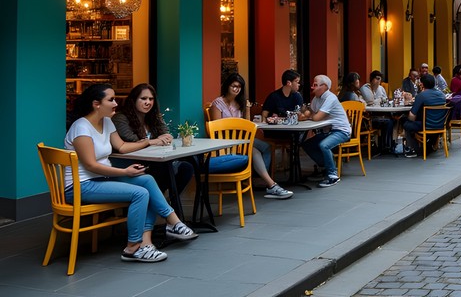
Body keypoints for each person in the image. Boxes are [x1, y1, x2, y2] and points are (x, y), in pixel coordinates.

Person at [65, 84, 197, 264]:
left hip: (102, 179)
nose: (115, 103)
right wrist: (124, 171)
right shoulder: (81, 127)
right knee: (140, 193)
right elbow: (91, 165)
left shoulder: (107, 122)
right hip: (82, 185)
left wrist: (149, 142)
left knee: (147, 179)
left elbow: (122, 147)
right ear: (96, 104)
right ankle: (133, 247)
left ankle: (173, 223)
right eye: (110, 100)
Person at [209, 73, 292, 199]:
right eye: (234, 86)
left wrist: (247, 109)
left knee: (266, 147)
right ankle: (271, 185)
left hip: (241, 139)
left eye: (239, 87)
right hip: (226, 142)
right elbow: (216, 128)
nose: (236, 89)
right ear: (227, 86)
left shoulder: (239, 103)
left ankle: (258, 176)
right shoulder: (218, 103)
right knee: (254, 152)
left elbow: (246, 124)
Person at [112, 83, 194, 210]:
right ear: (133, 100)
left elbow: (167, 134)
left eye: (151, 99)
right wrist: (153, 141)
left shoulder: (153, 116)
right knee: (164, 170)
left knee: (187, 167)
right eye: (143, 99)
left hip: (152, 160)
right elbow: (133, 140)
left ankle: (166, 203)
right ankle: (158, 207)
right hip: (129, 163)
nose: (148, 102)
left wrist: (160, 139)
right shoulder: (120, 118)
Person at [300, 75, 351, 187]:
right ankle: (326, 167)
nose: (312, 87)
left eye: (315, 84)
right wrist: (310, 114)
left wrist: (310, 114)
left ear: (324, 86)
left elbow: (315, 117)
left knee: (324, 145)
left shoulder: (330, 98)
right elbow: (311, 114)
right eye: (313, 84)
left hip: (341, 131)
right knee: (307, 144)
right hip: (327, 131)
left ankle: (332, 175)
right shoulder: (316, 99)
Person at [402, 73, 447, 157]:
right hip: (440, 124)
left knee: (406, 123)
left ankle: (413, 149)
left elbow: (412, 116)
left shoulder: (421, 96)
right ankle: (429, 146)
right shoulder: (442, 95)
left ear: (422, 84)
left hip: (425, 125)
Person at [359, 70, 396, 152]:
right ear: (371, 79)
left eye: (380, 79)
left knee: (393, 119)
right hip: (368, 117)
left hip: (380, 113)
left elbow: (385, 100)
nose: (379, 81)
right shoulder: (365, 88)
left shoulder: (381, 88)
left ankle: (389, 145)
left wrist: (379, 100)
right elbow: (370, 101)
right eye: (377, 79)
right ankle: (385, 146)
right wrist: (379, 99)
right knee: (389, 121)